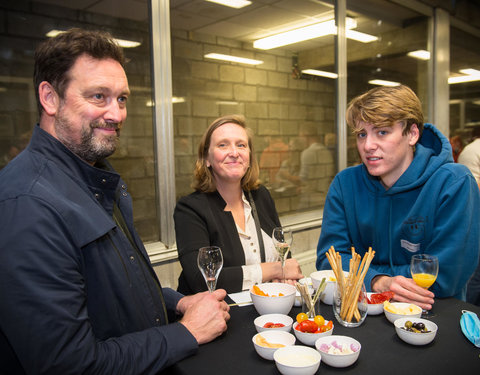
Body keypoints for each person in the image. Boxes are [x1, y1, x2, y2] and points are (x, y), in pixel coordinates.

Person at [0, 28, 230, 374]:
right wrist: (186, 332)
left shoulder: (95, 179)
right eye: (98, 96)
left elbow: (117, 290)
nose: (117, 114)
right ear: (49, 98)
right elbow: (68, 364)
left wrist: (179, 302)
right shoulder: (28, 204)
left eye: (121, 99)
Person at [316, 85, 480, 311]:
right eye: (362, 134)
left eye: (381, 132)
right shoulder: (345, 184)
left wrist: (368, 274)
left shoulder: (454, 182)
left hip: (435, 316)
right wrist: (378, 280)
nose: (367, 145)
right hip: (363, 313)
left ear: (412, 134)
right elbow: (328, 261)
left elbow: (445, 277)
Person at [174, 114, 304, 295]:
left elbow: (284, 257)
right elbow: (201, 279)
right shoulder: (190, 209)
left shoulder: (261, 196)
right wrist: (275, 270)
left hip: (267, 312)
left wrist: (283, 273)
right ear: (207, 158)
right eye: (223, 145)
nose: (234, 153)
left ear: (249, 156)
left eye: (241, 145)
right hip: (216, 317)